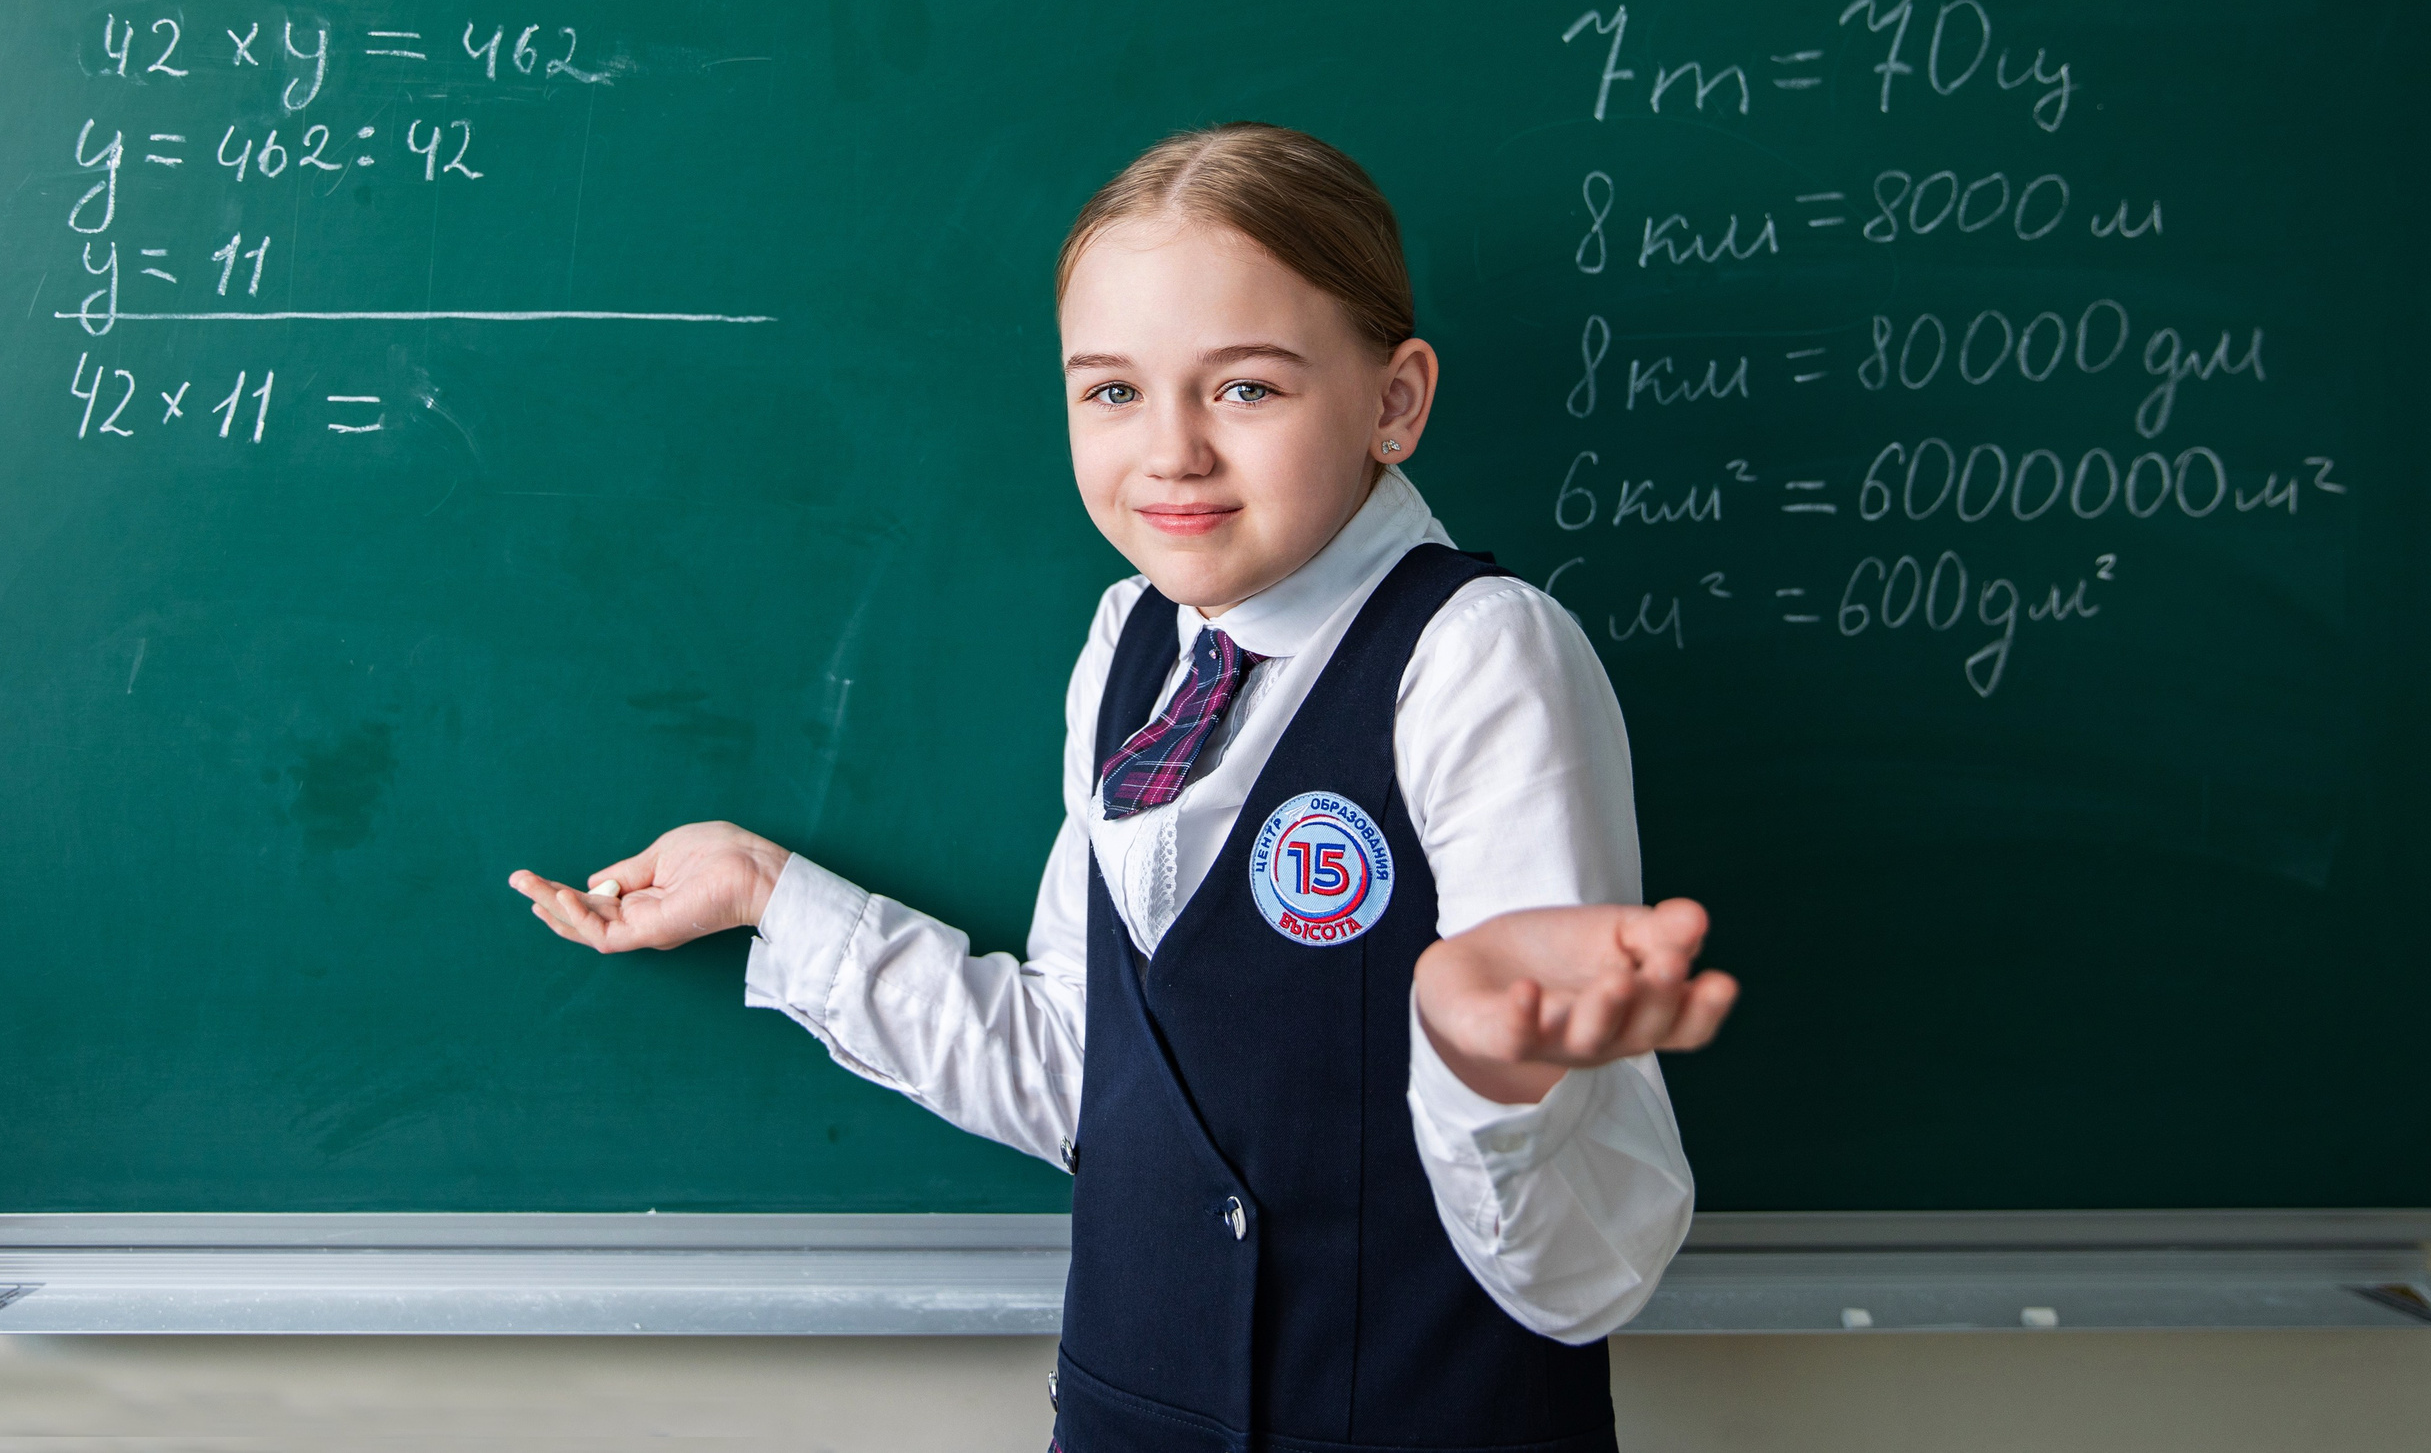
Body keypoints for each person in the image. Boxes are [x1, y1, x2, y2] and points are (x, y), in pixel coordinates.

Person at [512, 123, 1738, 1453]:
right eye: (1110, 392)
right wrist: (772, 896)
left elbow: (1580, 1257)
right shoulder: (1129, 650)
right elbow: (1096, 1083)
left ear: (1394, 400)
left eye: (1246, 390)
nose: (1172, 455)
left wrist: (1485, 1067)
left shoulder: (1476, 655)